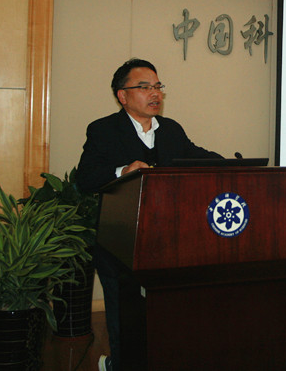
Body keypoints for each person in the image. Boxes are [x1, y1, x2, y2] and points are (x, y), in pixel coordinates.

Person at [77, 58, 222, 371]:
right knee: (124, 315)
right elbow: (85, 178)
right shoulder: (103, 130)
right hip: (120, 240)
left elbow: (196, 157)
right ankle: (120, 364)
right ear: (123, 95)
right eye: (144, 87)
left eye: (158, 86)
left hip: (167, 239)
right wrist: (122, 171)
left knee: (168, 312)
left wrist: (235, 165)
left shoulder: (171, 130)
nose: (155, 93)